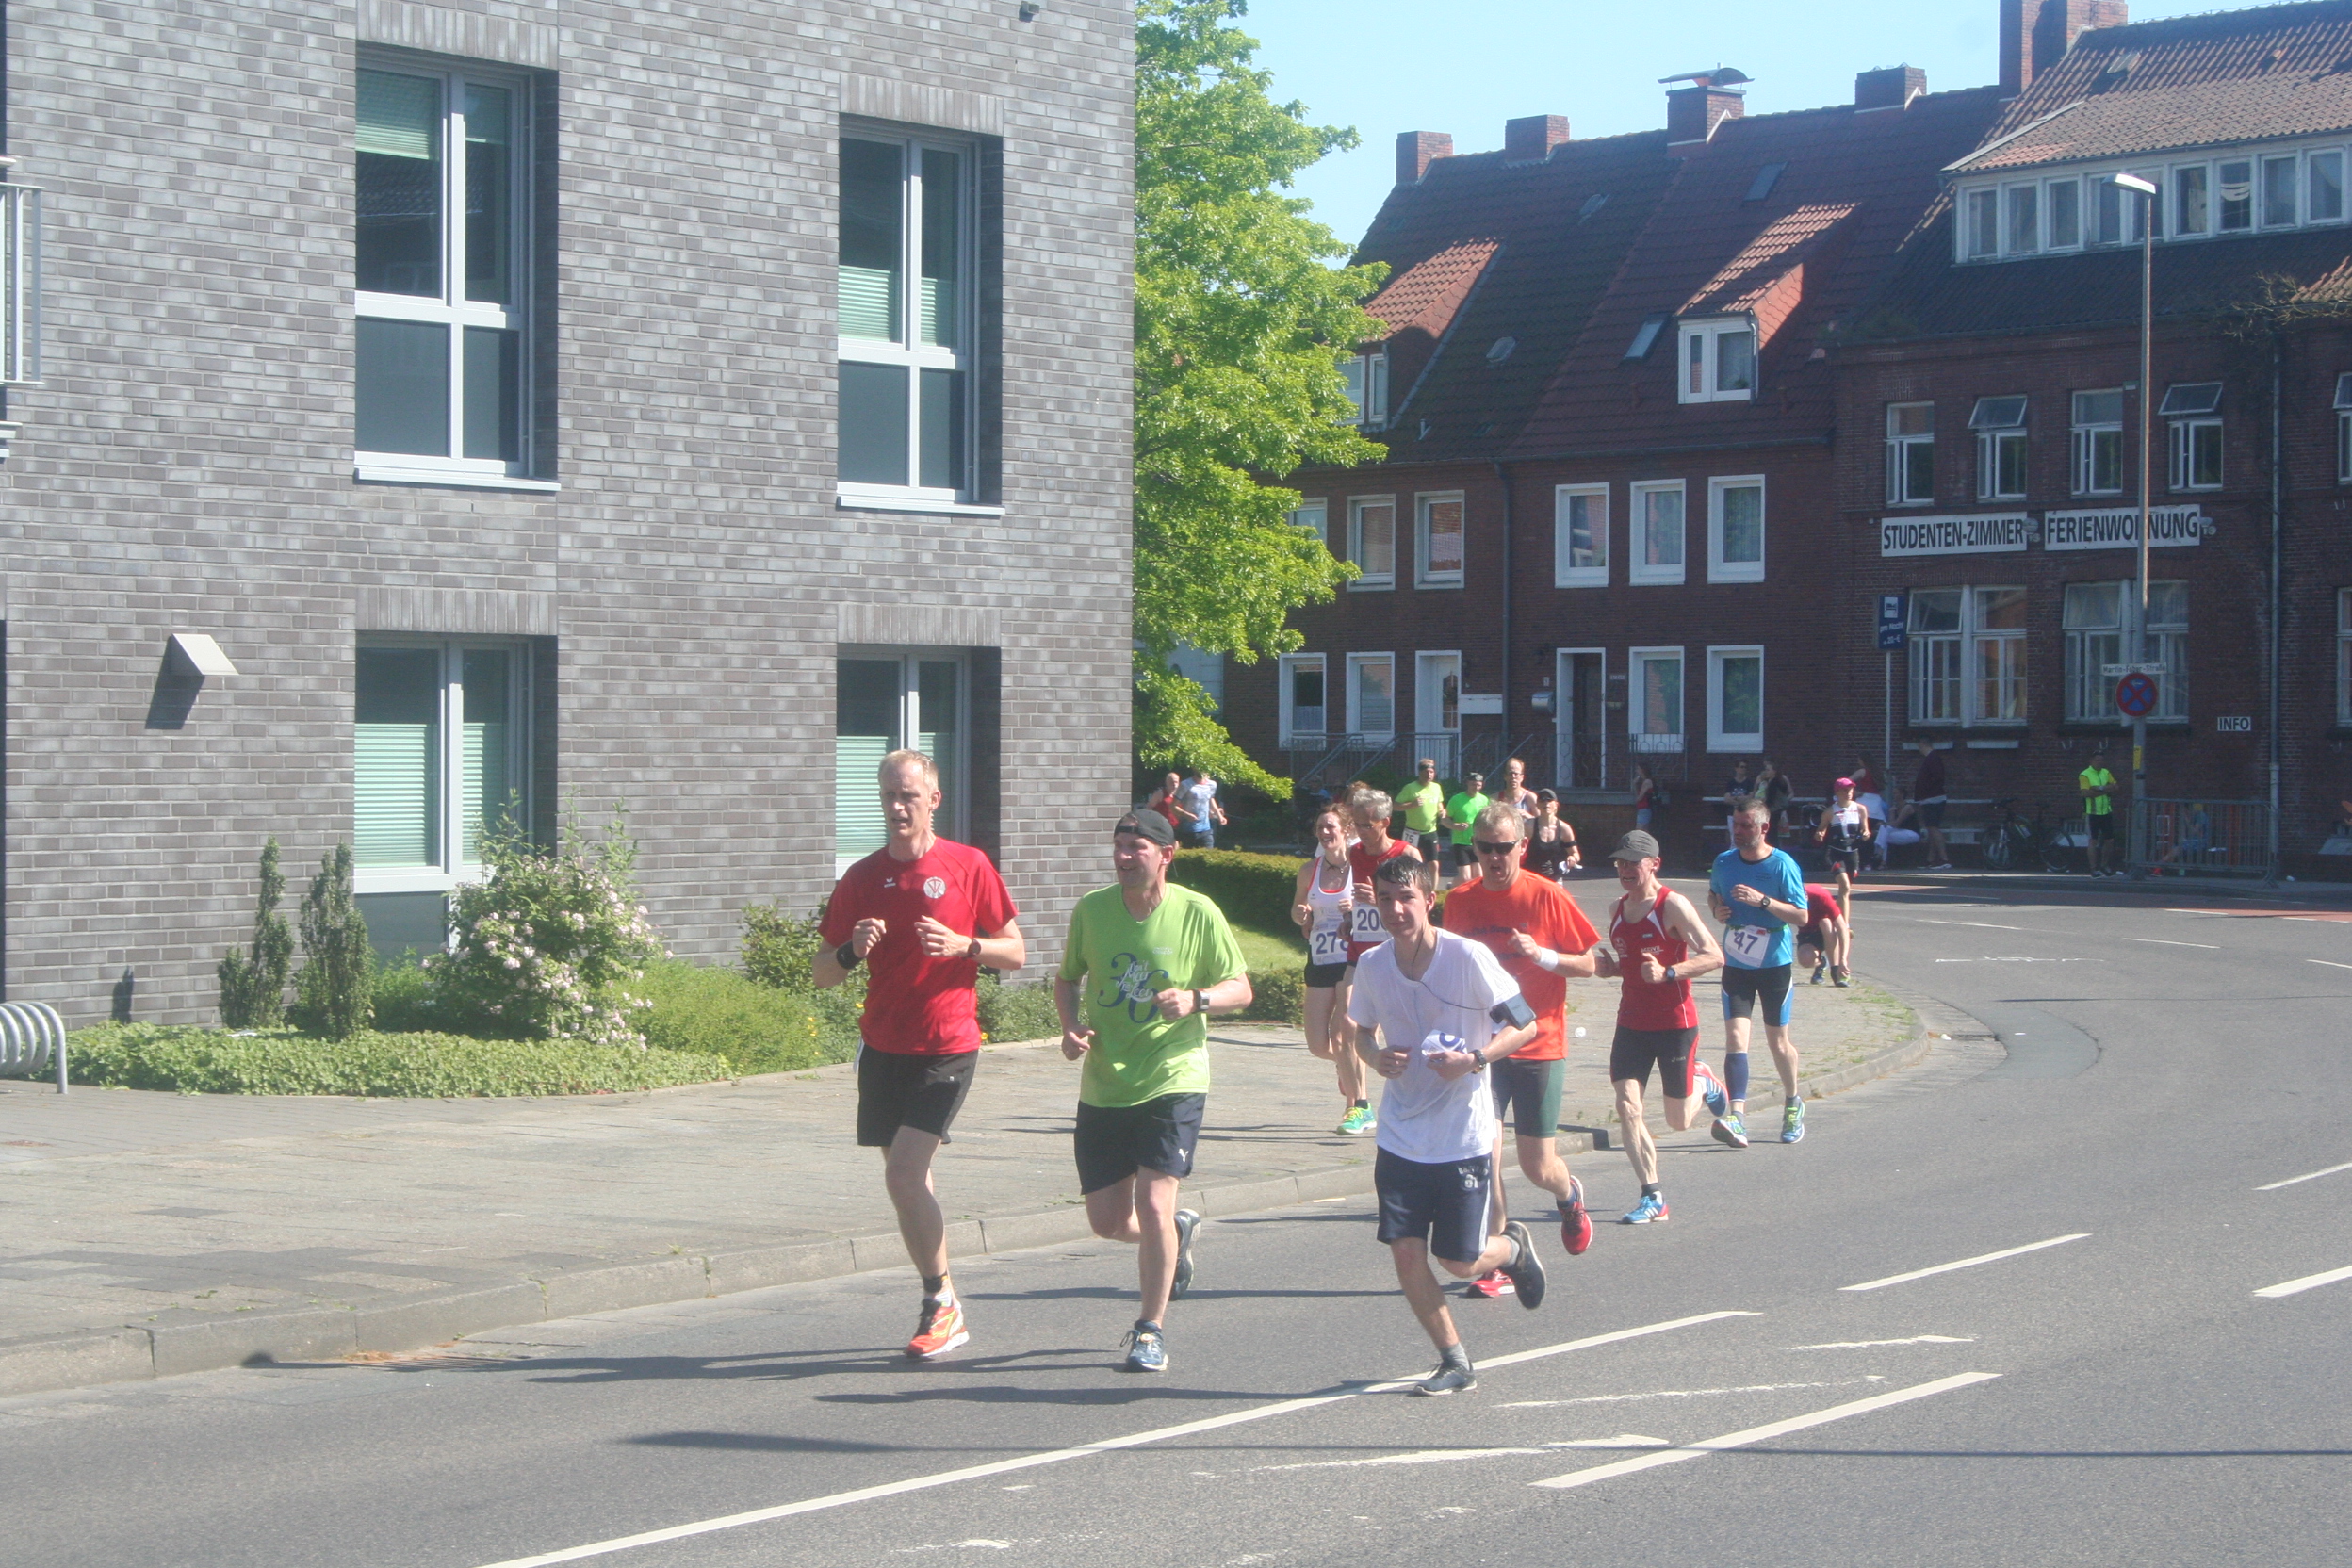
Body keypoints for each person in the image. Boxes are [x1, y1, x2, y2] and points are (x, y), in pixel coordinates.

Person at [817, 749, 1026, 1360]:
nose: (897, 806)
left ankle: (939, 1300)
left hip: (948, 1044)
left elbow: (1015, 951)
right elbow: (822, 973)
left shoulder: (967, 865)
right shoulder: (862, 878)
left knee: (903, 1174)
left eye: (908, 795)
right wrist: (851, 951)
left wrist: (965, 946)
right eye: (888, 795)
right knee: (910, 1182)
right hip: (884, 1046)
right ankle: (946, 1303)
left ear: (933, 800)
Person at [1054, 809, 1251, 1374]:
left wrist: (1197, 999)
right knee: (1108, 1222)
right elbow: (1067, 977)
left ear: (1166, 854)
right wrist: (1070, 1028)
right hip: (1106, 1082)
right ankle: (1175, 1234)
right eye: (1118, 846)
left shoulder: (1197, 912)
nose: (1122, 857)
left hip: (1174, 1075)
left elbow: (1241, 989)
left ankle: (1150, 1330)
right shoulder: (1092, 910)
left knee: (1154, 1201)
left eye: (1135, 848)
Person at [1348, 854, 1549, 1396]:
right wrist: (1375, 1057)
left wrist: (1476, 1060)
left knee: (1459, 1261)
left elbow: (1526, 1024)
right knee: (1405, 1251)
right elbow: (1360, 1030)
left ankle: (1513, 1250)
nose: (1395, 910)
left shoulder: (1468, 958)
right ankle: (1453, 1360)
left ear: (1428, 899)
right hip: (1400, 1133)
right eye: (1385, 899)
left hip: (1462, 1133)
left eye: (1406, 899)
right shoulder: (1373, 965)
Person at [1441, 803, 1607, 1281]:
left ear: (1523, 846)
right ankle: (1497, 1259)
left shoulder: (1546, 895)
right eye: (1485, 848)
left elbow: (1591, 963)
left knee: (1538, 1167)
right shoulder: (1460, 900)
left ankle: (1568, 1195)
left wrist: (1542, 956)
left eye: (1504, 848)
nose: (1495, 857)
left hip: (1539, 1045)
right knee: (1486, 1154)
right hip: (1485, 1049)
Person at [1592, 831, 1725, 1223]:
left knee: (1678, 1121)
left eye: (1633, 862)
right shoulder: (1616, 908)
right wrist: (1612, 969)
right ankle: (1652, 1195)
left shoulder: (1673, 905)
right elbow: (1632, 964)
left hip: (1674, 1024)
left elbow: (1714, 956)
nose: (1625, 869)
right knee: (1628, 1107)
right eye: (1620, 862)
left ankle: (1704, 1081)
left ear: (1654, 864)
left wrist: (1669, 972)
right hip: (1631, 1022)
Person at [1709, 799, 1809, 1148]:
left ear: (1764, 828)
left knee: (1777, 1041)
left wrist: (1762, 901)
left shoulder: (1782, 865)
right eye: (1735, 825)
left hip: (1774, 964)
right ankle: (1736, 1117)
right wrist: (1717, 911)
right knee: (1736, 1038)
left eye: (1746, 826)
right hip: (1736, 963)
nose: (1738, 831)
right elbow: (1713, 895)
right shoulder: (1724, 862)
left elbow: (1801, 916)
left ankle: (1793, 1102)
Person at [1293, 805, 1373, 1134]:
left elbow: (1378, 905)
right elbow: (1298, 914)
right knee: (1318, 1044)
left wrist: (1356, 907)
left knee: (1344, 1034)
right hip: (1320, 958)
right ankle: (1346, 1064)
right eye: (1320, 828)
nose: (1325, 833)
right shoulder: (1308, 871)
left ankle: (1358, 1106)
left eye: (1331, 827)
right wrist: (1302, 914)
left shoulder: (1361, 866)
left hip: (1352, 958)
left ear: (1346, 830)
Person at [1813, 776, 1872, 919]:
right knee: (1844, 885)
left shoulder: (1860, 809)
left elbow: (1865, 830)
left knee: (1845, 891)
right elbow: (1820, 830)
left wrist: (1866, 834)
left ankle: (1836, 917)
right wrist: (1819, 834)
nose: (1849, 793)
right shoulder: (1830, 811)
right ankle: (1844, 925)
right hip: (1835, 853)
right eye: (1845, 790)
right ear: (1837, 792)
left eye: (1851, 790)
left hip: (1852, 853)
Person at [1442, 772, 1491, 889]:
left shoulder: (1484, 800)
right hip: (1461, 842)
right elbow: (1445, 819)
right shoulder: (1456, 799)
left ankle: (1474, 896)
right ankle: (1452, 886)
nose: (1476, 788)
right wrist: (1455, 826)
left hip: (1478, 842)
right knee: (1465, 877)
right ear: (1468, 783)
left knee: (1479, 875)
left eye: (1479, 785)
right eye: (1473, 784)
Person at [1797, 881, 1850, 987]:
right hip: (1807, 930)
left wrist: (1843, 960)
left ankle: (1835, 970)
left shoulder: (1820, 897)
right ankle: (1821, 963)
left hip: (1826, 928)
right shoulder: (1789, 901)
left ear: (1806, 895)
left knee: (1825, 923)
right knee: (1805, 960)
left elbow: (1842, 928)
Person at [1524, 789, 1580, 884]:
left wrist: (1572, 858)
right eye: (1542, 800)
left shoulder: (1564, 828)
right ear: (1537, 805)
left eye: (1549, 800)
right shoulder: (1529, 826)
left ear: (1556, 805)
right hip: (1532, 878)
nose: (1546, 803)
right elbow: (1517, 849)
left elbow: (1575, 853)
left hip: (1555, 879)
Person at [1396, 758, 1448, 859]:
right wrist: (1411, 805)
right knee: (1410, 860)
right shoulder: (1410, 787)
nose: (1429, 774)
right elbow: (1396, 806)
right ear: (1420, 773)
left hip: (1431, 831)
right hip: (1412, 832)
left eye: (1431, 772)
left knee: (1434, 862)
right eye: (1426, 772)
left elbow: (1439, 803)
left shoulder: (1437, 787)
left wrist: (1442, 811)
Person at [1912, 739, 1952, 870]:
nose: (1919, 750)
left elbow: (1937, 778)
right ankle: (1931, 859)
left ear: (1923, 745)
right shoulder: (1932, 758)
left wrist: (1925, 792)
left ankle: (1944, 859)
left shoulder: (1932, 758)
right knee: (1931, 829)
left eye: (1920, 747)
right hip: (1931, 798)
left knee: (1933, 827)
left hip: (1932, 798)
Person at [2080, 744, 2119, 877]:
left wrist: (2098, 788)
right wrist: (2106, 789)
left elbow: (2116, 787)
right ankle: (2093, 869)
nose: (2100, 762)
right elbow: (2085, 793)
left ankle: (2104, 865)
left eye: (2102, 760)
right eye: (2097, 760)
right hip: (2092, 813)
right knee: (2093, 841)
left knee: (2109, 841)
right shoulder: (2085, 774)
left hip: (2106, 811)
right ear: (2091, 761)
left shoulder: (2106, 772)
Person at [2153, 800, 2212, 875]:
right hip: (2191, 840)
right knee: (2174, 847)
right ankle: (2165, 869)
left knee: (2178, 848)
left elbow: (2194, 831)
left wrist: (2187, 820)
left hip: (2201, 841)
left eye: (2185, 811)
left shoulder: (2201, 816)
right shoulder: (2190, 816)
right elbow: (2183, 833)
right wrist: (2182, 839)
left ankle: (2159, 865)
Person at [1177, 768, 1226, 851]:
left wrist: (1219, 816)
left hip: (1206, 829)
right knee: (1190, 857)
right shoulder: (1185, 784)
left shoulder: (1212, 784)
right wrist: (1186, 815)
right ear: (1194, 768)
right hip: (1188, 829)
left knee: (1208, 855)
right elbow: (1173, 806)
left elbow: (1210, 799)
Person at [1496, 757, 1540, 825]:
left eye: (1516, 774)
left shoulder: (1530, 798)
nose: (1513, 777)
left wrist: (1528, 816)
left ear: (1522, 777)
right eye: (1510, 773)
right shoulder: (1496, 798)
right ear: (1505, 776)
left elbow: (1541, 823)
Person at [1756, 760, 1793, 833]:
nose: (1766, 772)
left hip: (1774, 811)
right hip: (1776, 810)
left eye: (1768, 770)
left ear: (1774, 771)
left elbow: (1771, 799)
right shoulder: (1769, 782)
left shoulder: (1775, 783)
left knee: (1772, 832)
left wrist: (1763, 805)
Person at [1146, 772, 1184, 836]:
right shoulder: (1160, 793)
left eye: (1176, 782)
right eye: (1171, 782)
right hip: (1163, 827)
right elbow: (1149, 807)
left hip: (1178, 827)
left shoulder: (1180, 794)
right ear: (1167, 782)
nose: (1174, 784)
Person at [1631, 762, 1658, 832]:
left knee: (1638, 831)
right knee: (1645, 831)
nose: (1637, 770)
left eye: (1638, 769)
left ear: (1643, 770)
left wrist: (1636, 800)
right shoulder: (1643, 781)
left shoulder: (1647, 782)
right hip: (1642, 808)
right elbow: (1638, 795)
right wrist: (1635, 785)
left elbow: (1640, 797)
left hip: (1645, 808)